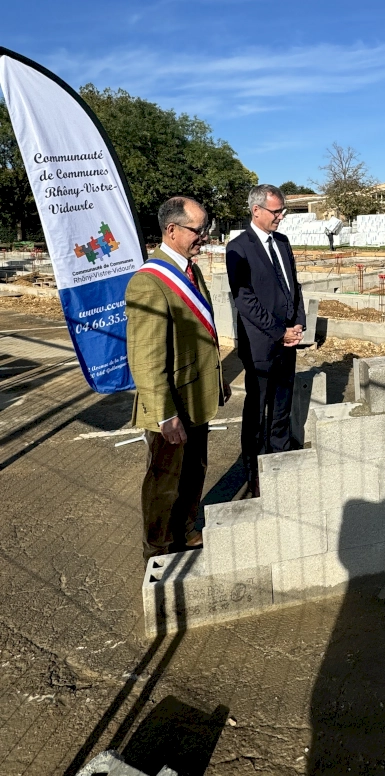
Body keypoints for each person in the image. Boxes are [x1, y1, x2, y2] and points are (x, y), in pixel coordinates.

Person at [126, 196, 229, 564]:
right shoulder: (149, 283)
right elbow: (146, 357)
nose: (203, 237)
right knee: (164, 480)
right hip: (170, 403)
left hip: (197, 395)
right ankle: (158, 547)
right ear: (171, 230)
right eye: (197, 230)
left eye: (204, 230)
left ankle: (186, 529)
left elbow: (204, 335)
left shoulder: (192, 271)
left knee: (195, 469)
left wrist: (217, 381)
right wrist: (164, 414)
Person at [226, 184, 305, 496]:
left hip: (288, 340)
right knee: (257, 411)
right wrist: (278, 330)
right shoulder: (239, 248)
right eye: (276, 211)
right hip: (261, 344)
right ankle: (255, 474)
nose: (281, 216)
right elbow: (244, 300)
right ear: (256, 210)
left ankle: (281, 464)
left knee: (282, 407)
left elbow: (293, 286)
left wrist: (298, 323)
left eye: (282, 211)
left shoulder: (282, 243)